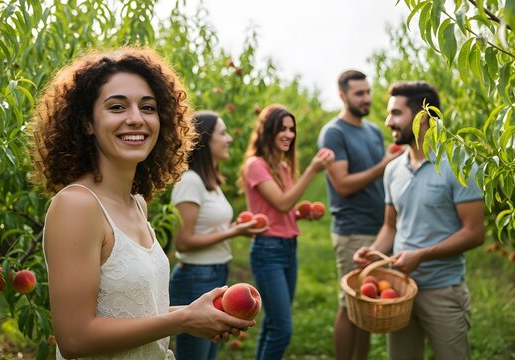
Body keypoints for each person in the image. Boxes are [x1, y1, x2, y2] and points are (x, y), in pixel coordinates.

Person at [28, 47, 254, 360]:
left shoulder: (136, 202)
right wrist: (183, 319)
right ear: (86, 122)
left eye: (148, 108)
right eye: (117, 107)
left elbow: (136, 311)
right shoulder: (78, 206)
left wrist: (193, 314)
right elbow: (75, 338)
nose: (136, 119)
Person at [353, 80, 485, 360]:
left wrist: (421, 256)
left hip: (443, 289)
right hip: (399, 288)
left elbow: (474, 233)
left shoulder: (458, 165)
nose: (388, 121)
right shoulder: (392, 170)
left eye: (396, 113)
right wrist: (373, 253)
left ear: (422, 117)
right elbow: (391, 226)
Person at [317, 69, 402, 359]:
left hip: (379, 229)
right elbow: (343, 185)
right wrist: (386, 163)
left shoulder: (374, 130)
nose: (367, 98)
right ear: (343, 96)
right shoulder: (334, 132)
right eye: (359, 94)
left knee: (368, 303)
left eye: (368, 92)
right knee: (349, 303)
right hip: (352, 229)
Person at [238, 103, 335, 359]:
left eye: (292, 129)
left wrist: (301, 214)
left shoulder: (282, 167)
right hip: (268, 250)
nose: (289, 135)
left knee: (272, 323)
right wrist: (313, 170)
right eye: (282, 129)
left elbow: (284, 209)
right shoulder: (255, 165)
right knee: (283, 329)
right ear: (267, 131)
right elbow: (282, 202)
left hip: (288, 247)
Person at [169, 110, 265, 359]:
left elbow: (211, 228)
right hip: (195, 277)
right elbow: (184, 241)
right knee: (195, 355)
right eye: (223, 133)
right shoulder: (190, 181)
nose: (230, 139)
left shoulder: (211, 182)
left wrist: (240, 227)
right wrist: (234, 231)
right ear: (205, 141)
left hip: (217, 273)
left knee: (210, 353)